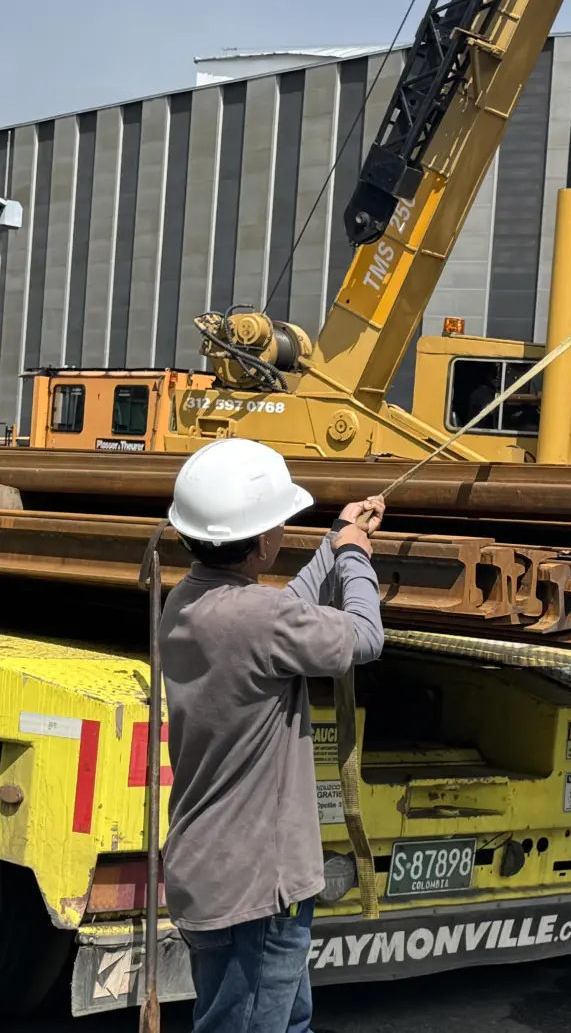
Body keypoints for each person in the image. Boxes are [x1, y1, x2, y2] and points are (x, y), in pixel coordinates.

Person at [159, 438, 385, 1033]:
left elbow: (280, 613)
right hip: (261, 890)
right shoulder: (259, 619)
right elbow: (363, 636)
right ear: (262, 543)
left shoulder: (188, 602)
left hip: (216, 877)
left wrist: (333, 543)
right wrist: (358, 556)